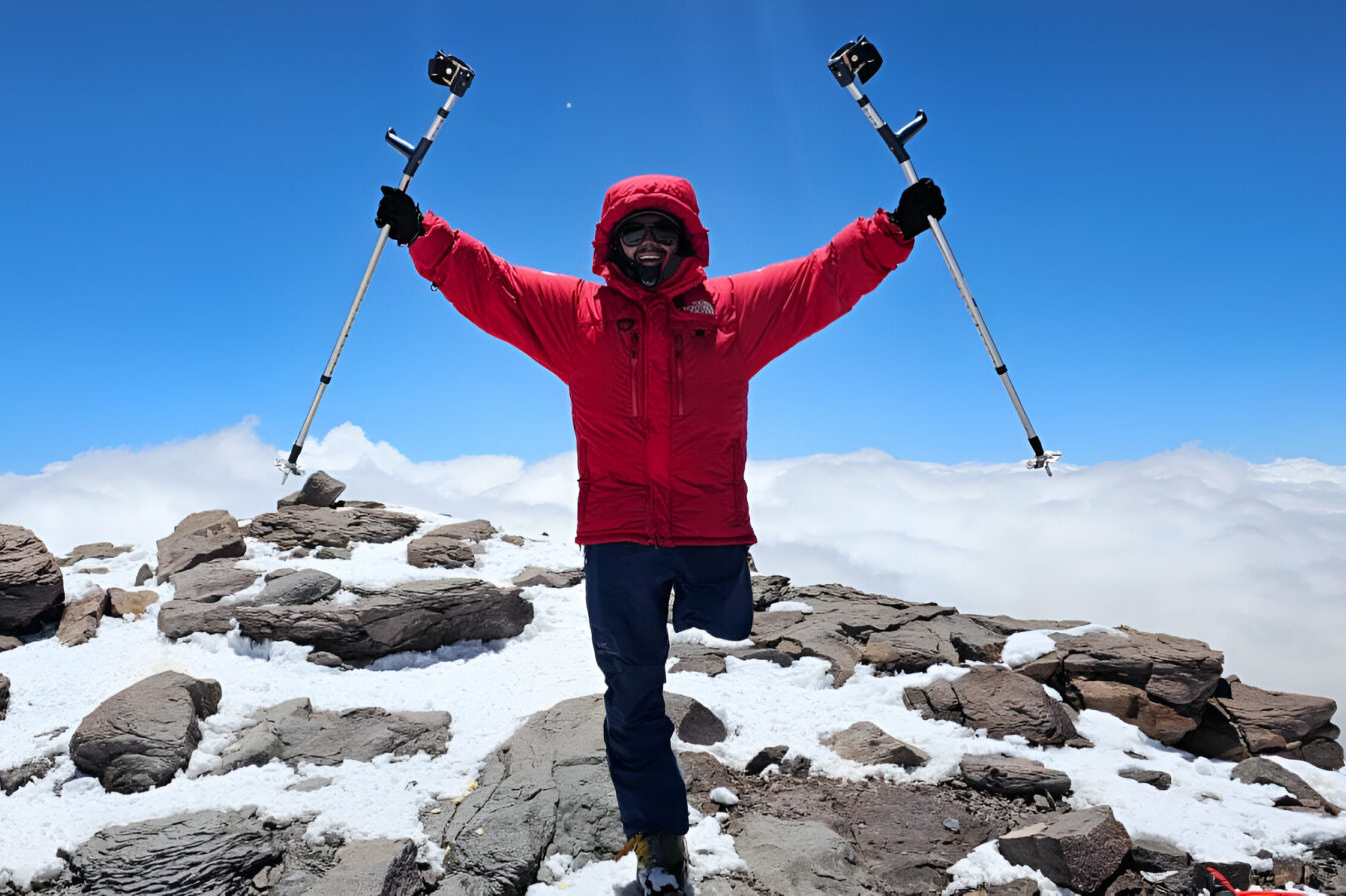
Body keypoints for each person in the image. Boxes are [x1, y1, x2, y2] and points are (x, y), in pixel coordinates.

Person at [375, 173, 944, 894]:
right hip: (619, 541)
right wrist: (425, 235)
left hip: (712, 536)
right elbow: (492, 284)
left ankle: (747, 774)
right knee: (633, 694)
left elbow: (819, 281)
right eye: (634, 231)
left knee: (734, 653)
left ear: (687, 240)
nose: (648, 245)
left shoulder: (732, 311)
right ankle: (661, 844)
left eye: (663, 231)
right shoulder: (577, 316)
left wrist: (891, 231)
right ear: (611, 243)